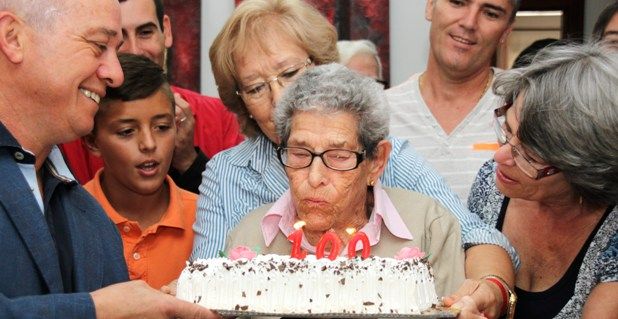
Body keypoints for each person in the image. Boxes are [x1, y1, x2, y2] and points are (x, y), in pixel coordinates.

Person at [194, 0, 518, 317]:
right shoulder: (227, 175)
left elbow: (474, 235)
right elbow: (208, 287)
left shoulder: (384, 153)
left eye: (290, 72)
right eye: (255, 88)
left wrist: (488, 290)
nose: (278, 98)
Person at [0, 0, 216, 318]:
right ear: (14, 38)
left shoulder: (89, 217)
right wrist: (96, 311)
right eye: (98, 45)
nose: (114, 73)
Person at [227, 63, 465, 297]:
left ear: (376, 161)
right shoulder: (248, 237)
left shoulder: (429, 227)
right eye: (300, 154)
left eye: (339, 157)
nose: (315, 177)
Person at [468, 43, 618, 318]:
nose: (501, 155)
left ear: (585, 169)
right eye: (507, 130)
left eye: (530, 155)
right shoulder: (492, 183)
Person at [59, 0, 244, 193]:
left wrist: (189, 160)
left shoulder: (221, 117)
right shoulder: (69, 129)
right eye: (118, 40)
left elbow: (245, 214)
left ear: (166, 30)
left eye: (145, 33)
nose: (134, 50)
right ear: (92, 141)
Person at [83, 53, 196, 290]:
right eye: (126, 131)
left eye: (162, 127)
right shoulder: (68, 219)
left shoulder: (206, 217)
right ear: (92, 141)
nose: (149, 144)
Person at [387, 0, 520, 200]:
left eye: (491, 13)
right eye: (458, 2)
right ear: (430, 5)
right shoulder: (378, 112)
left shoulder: (522, 106)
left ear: (506, 32)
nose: (469, 22)